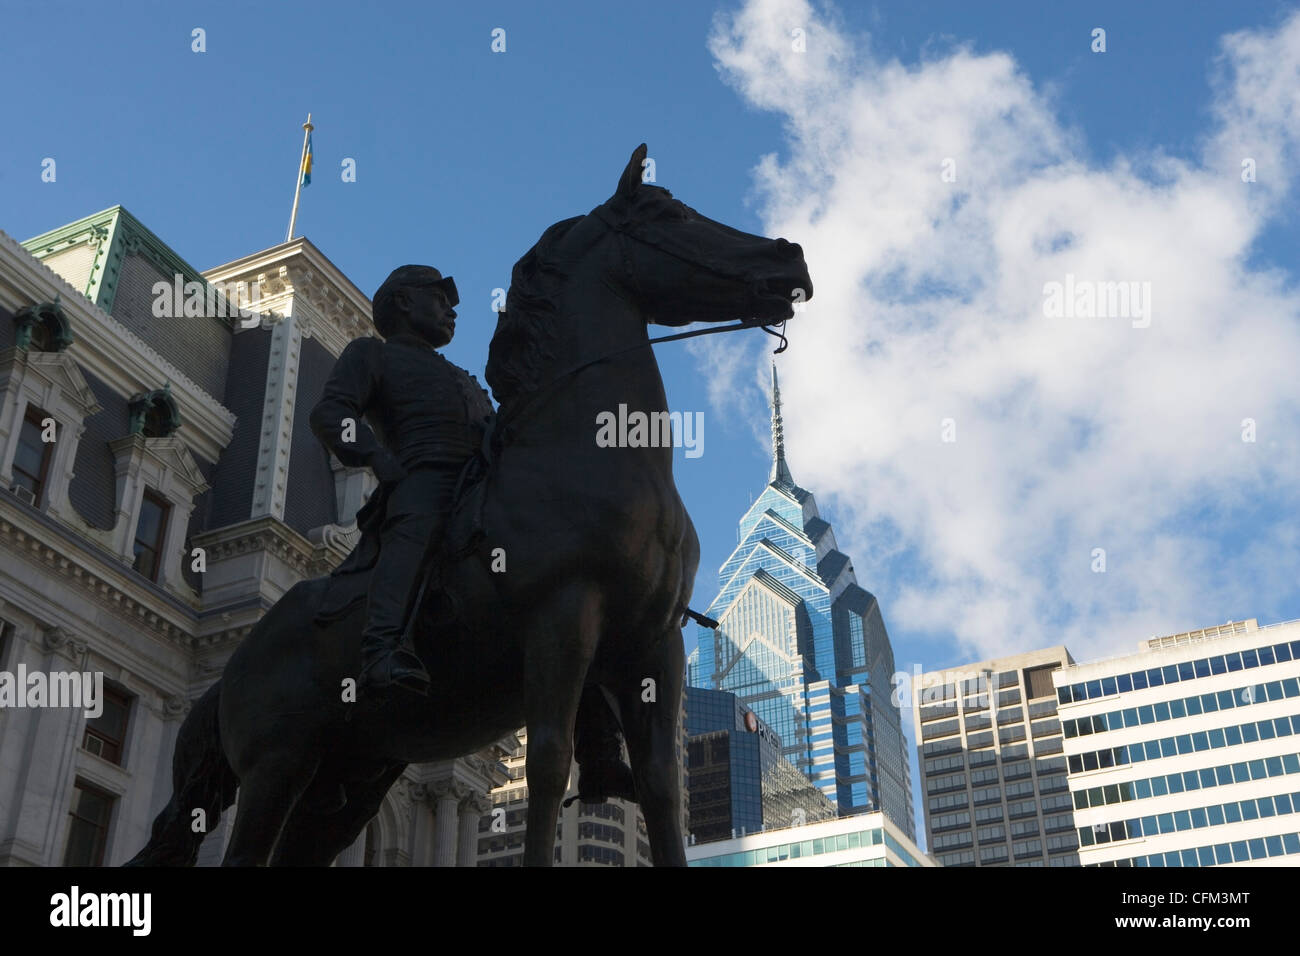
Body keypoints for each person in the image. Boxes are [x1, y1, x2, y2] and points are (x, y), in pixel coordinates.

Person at [309, 264, 492, 694]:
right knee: (419, 526)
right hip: (424, 476)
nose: (452, 312)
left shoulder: (461, 376)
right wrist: (373, 453)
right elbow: (330, 414)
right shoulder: (371, 354)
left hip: (478, 480)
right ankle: (382, 648)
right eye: (441, 300)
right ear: (405, 302)